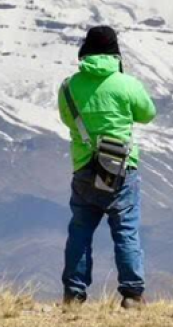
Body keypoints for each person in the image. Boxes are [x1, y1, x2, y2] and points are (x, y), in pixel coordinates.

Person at [58, 26, 157, 309]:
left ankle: (73, 294)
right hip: (121, 168)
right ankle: (132, 295)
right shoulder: (126, 84)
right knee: (125, 230)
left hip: (83, 166)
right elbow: (147, 114)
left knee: (80, 230)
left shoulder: (68, 86)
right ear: (115, 52)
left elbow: (67, 119)